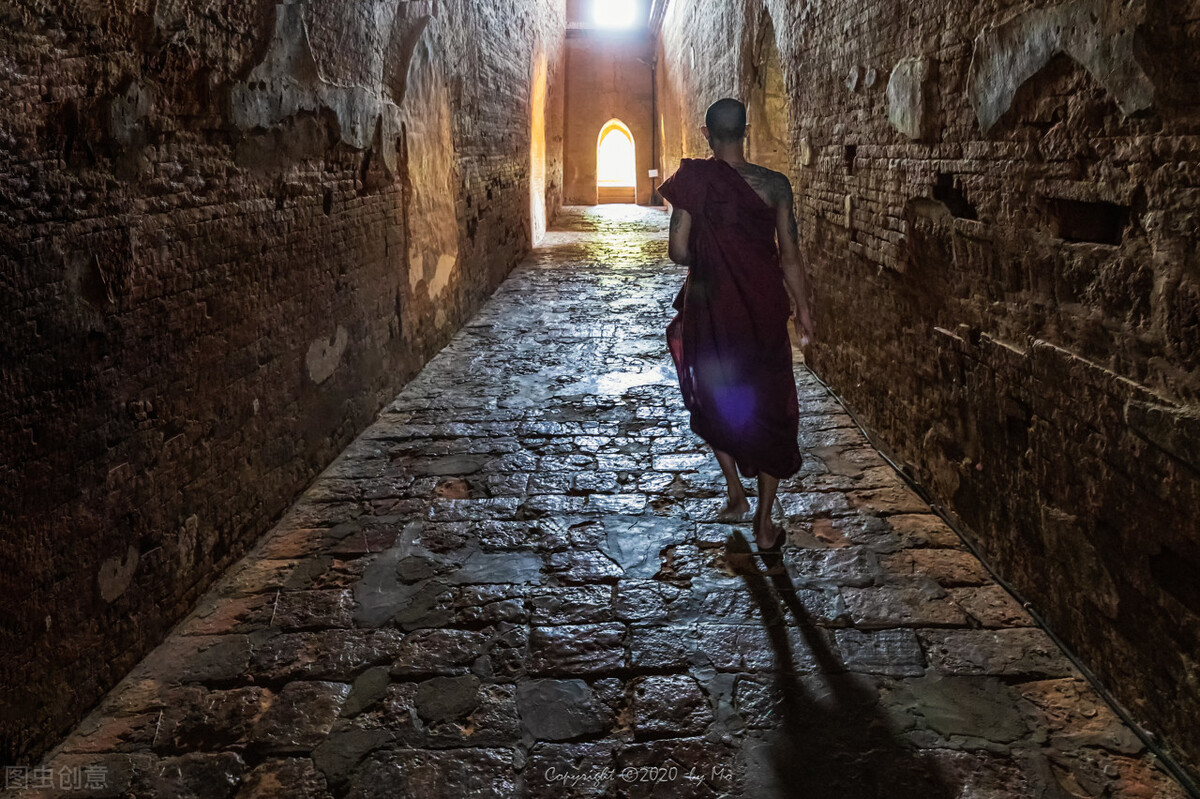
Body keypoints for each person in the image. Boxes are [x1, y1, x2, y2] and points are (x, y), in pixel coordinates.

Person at [658, 98, 814, 551]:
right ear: (745, 131)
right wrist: (803, 310)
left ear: (706, 135)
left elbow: (678, 252)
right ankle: (765, 525)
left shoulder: (695, 181)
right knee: (771, 403)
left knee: (710, 395)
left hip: (712, 306)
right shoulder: (775, 186)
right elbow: (790, 256)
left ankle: (734, 489)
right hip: (764, 309)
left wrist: (713, 252)